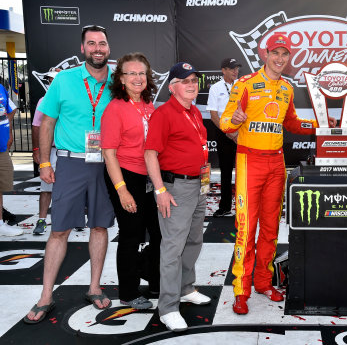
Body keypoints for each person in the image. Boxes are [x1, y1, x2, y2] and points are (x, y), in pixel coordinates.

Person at [220, 34, 336, 315]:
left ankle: (262, 282)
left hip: (276, 165)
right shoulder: (245, 84)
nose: (280, 59)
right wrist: (233, 120)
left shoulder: (286, 88)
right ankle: (240, 289)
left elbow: (292, 123)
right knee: (246, 229)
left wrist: (320, 123)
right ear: (266, 54)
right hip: (250, 162)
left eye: (285, 54)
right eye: (275, 53)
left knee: (271, 229)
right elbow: (225, 120)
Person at [24, 25, 115, 324]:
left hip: (106, 164)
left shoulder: (120, 81)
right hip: (71, 163)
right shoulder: (64, 80)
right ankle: (46, 295)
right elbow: (47, 123)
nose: (97, 48)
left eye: (102, 43)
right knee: (59, 230)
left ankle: (94, 286)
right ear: (82, 49)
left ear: (108, 48)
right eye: (91, 43)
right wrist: (44, 163)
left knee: (100, 227)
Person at [144, 62, 211, 332]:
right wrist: (160, 190)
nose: (192, 84)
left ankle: (185, 288)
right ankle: (168, 307)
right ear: (172, 87)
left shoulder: (193, 111)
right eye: (185, 81)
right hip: (176, 188)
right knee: (172, 247)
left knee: (193, 240)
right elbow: (150, 154)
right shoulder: (164, 113)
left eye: (194, 79)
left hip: (199, 185)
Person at [101, 52, 161, 310]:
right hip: (125, 176)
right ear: (121, 79)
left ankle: (155, 279)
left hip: (149, 177)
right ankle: (127, 291)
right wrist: (122, 191)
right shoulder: (115, 108)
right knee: (131, 234)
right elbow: (108, 153)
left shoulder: (149, 105)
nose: (137, 78)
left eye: (141, 73)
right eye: (131, 73)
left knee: (158, 233)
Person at [206, 57, 241, 217]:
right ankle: (225, 206)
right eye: (232, 68)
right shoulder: (216, 88)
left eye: (237, 68)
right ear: (223, 70)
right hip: (223, 133)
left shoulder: (242, 85)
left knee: (245, 171)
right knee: (226, 172)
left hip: (242, 132)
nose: (235, 71)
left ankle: (245, 206)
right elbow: (213, 115)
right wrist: (229, 133)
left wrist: (238, 133)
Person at [31, 71, 59, 235]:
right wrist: (37, 150)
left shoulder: (70, 99)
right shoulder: (44, 100)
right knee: (46, 187)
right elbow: (36, 127)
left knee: (74, 188)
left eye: (54, 80)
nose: (51, 83)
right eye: (49, 81)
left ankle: (75, 219)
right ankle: (42, 220)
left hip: (71, 151)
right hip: (52, 150)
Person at [0, 82, 22, 237]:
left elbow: (10, 109)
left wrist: (9, 132)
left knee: (0, 187)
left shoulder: (0, 87)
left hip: (1, 148)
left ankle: (0, 224)